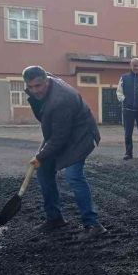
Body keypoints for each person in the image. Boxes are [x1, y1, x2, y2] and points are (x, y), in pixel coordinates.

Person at [23, 66, 106, 238]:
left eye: (38, 86)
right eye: (31, 87)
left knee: (73, 176)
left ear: (46, 80)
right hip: (63, 131)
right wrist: (42, 158)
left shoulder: (61, 100)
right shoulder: (42, 88)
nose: (35, 90)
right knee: (44, 172)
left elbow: (59, 139)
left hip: (81, 136)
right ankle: (55, 219)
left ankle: (93, 224)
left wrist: (40, 155)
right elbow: (55, 131)